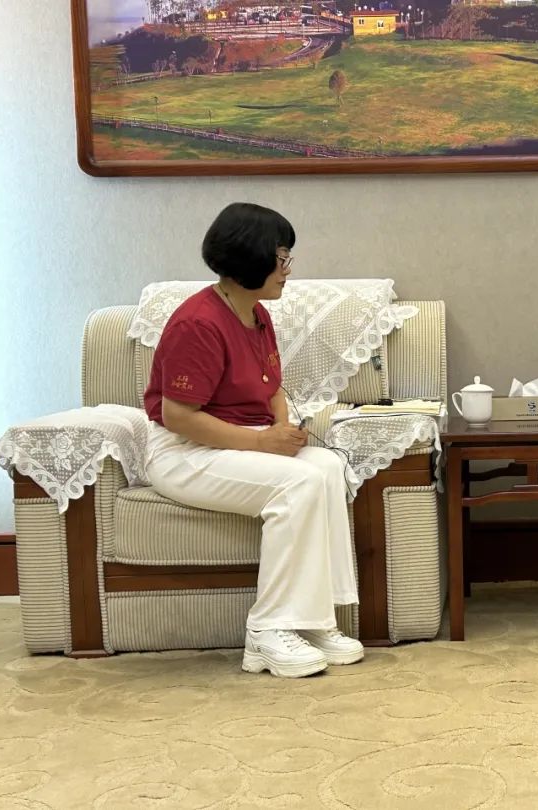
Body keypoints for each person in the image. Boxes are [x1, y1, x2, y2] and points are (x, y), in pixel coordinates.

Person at [144, 202, 363, 678]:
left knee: (327, 467)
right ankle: (267, 631)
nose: (288, 269)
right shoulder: (198, 323)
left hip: (237, 440)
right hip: (184, 451)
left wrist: (282, 431)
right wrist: (264, 443)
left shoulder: (256, 314)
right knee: (299, 483)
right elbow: (178, 416)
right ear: (252, 257)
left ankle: (314, 621)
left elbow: (273, 388)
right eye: (281, 258)